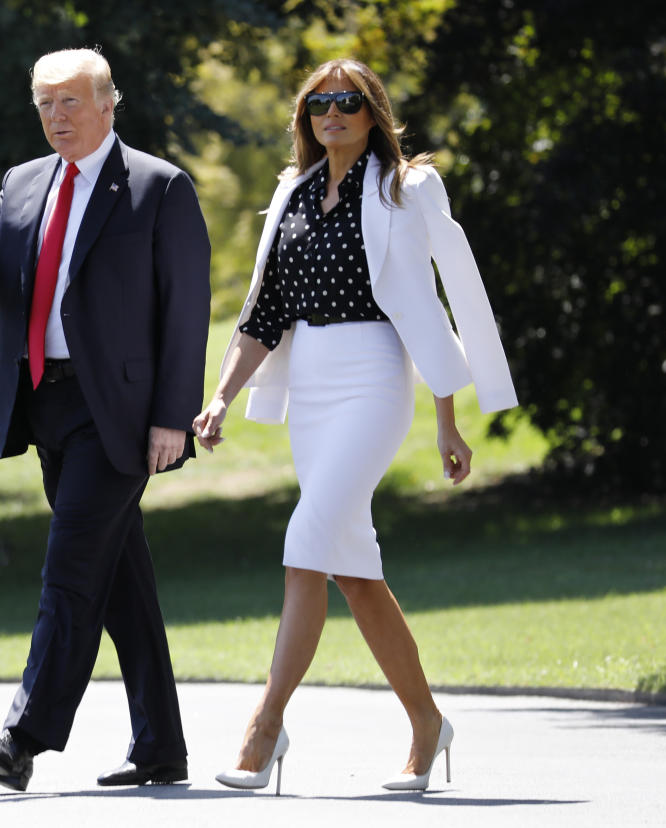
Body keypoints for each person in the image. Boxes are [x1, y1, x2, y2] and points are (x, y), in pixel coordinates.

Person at [0, 47, 211, 792]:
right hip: (47, 405)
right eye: (44, 103)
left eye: (70, 102)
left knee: (69, 568)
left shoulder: (160, 188)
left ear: (107, 103)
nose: (56, 117)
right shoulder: (23, 182)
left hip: (123, 415)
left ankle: (23, 736)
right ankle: (161, 748)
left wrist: (173, 418)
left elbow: (186, 314)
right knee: (121, 581)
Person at [193, 58, 518, 794]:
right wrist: (218, 398)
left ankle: (264, 728)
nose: (331, 114)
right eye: (317, 104)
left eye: (347, 102)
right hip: (311, 381)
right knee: (352, 569)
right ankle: (428, 725)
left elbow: (429, 308)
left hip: (375, 375)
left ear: (373, 113)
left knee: (306, 539)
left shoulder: (406, 188)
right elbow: (263, 312)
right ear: (305, 118)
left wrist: (448, 420)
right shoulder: (294, 194)